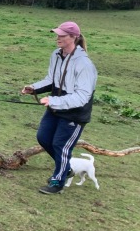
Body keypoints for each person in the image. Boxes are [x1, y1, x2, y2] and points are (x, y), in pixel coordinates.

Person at [21, 21, 97, 194]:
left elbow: (82, 97)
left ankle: (58, 182)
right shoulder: (56, 54)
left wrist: (53, 101)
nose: (58, 38)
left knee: (61, 146)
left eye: (62, 36)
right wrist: (34, 87)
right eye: (57, 35)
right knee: (43, 137)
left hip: (74, 114)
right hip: (55, 108)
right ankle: (66, 168)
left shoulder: (84, 65)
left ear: (73, 38)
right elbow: (51, 79)